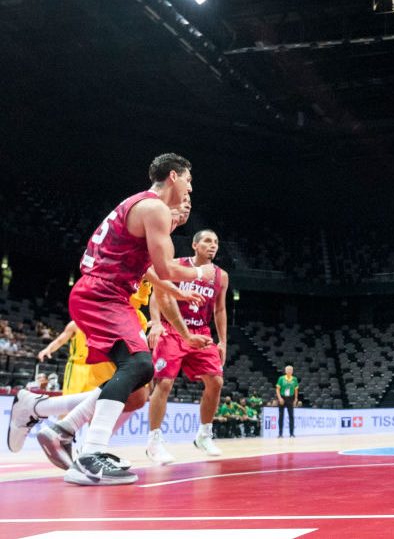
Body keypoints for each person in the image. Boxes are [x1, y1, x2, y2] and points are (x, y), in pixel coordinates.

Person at [6, 154, 212, 486]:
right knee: (141, 366)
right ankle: (87, 454)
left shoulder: (144, 208)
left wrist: (178, 291)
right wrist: (201, 272)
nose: (190, 187)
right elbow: (165, 267)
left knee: (135, 392)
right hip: (103, 294)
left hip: (106, 294)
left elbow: (147, 270)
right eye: (188, 180)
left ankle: (41, 412)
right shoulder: (154, 208)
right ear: (173, 176)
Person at [146, 228, 229, 464]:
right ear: (195, 245)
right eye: (207, 241)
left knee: (216, 381)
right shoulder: (176, 265)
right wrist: (156, 324)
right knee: (164, 382)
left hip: (200, 331)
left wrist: (222, 341)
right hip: (172, 329)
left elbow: (220, 309)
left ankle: (203, 434)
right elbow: (157, 293)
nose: (212, 245)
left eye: (215, 242)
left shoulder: (220, 276)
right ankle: (153, 441)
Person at [276, 365, 299, 438]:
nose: (289, 371)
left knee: (291, 416)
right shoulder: (281, 378)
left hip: (290, 398)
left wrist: (295, 399)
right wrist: (279, 398)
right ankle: (280, 434)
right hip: (282, 397)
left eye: (291, 370)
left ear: (292, 371)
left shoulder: (294, 379)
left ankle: (291, 433)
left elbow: (296, 390)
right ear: (285, 371)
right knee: (281, 415)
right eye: (288, 370)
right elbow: (277, 389)